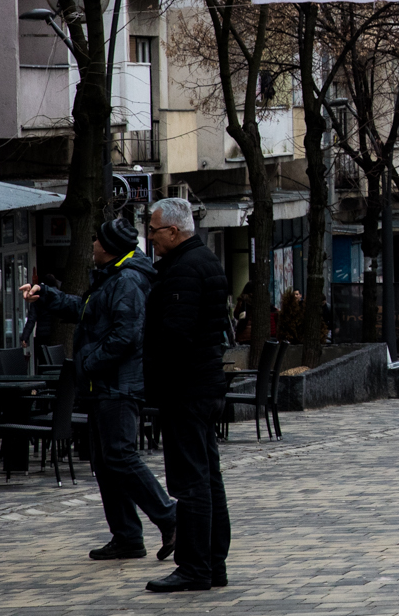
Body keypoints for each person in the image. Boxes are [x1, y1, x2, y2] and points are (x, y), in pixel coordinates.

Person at [22, 218, 177, 564]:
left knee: (120, 456)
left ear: (107, 248)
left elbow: (127, 336)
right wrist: (46, 295)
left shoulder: (128, 280)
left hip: (118, 386)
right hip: (103, 385)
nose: (91, 244)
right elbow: (84, 311)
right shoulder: (111, 277)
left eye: (95, 240)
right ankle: (126, 536)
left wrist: (87, 363)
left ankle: (170, 517)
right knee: (107, 463)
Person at [141, 197, 231, 593]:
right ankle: (212, 563)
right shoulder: (206, 261)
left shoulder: (183, 270)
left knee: (191, 481)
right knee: (208, 477)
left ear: (174, 231)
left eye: (155, 230)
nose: (151, 237)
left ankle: (195, 566)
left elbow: (175, 336)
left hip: (187, 389)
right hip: (205, 383)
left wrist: (159, 384)